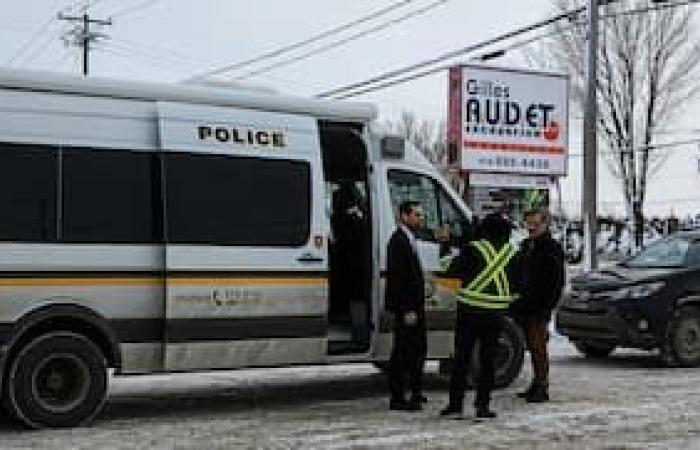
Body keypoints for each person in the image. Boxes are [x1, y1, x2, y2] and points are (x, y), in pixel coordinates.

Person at [438, 213, 521, 419]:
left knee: (462, 360)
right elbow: (520, 284)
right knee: (487, 361)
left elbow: (448, 271)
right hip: (496, 315)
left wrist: (445, 247)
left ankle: (455, 405)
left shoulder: (473, 249)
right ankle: (482, 405)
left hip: (469, 312)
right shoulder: (513, 253)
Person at [511, 208, 565, 403]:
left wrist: (547, 307)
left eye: (535, 223)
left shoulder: (551, 248)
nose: (531, 226)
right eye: (528, 222)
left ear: (545, 224)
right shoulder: (525, 246)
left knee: (539, 346)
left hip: (539, 306)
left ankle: (542, 386)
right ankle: (536, 382)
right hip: (523, 305)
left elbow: (556, 281)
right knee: (533, 347)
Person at [384, 200, 427, 411]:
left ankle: (416, 391)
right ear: (404, 216)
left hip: (415, 305)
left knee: (417, 350)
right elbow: (398, 279)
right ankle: (398, 397)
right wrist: (407, 308)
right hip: (407, 307)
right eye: (417, 215)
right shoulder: (397, 241)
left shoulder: (409, 239)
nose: (420, 219)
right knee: (402, 352)